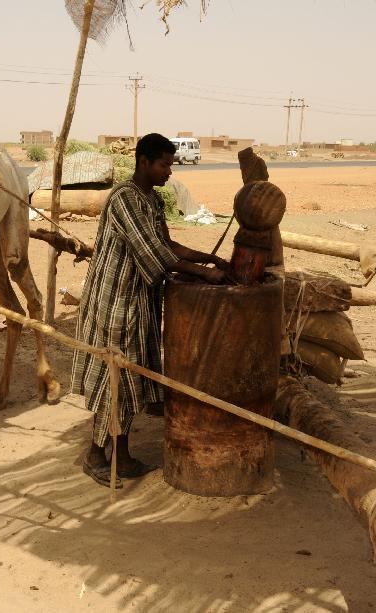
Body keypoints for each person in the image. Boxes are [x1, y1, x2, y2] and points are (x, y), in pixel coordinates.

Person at [71, 132, 228, 488]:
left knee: (129, 382)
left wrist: (211, 257)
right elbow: (154, 255)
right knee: (112, 379)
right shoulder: (124, 199)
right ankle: (96, 455)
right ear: (144, 161)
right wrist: (206, 275)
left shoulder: (152, 200)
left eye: (170, 165)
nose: (169, 172)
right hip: (114, 303)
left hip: (138, 302)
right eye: (163, 165)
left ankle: (122, 456)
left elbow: (167, 243)